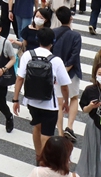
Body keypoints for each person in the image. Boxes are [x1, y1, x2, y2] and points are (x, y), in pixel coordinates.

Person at [12, 26, 71, 158]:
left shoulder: (28, 55)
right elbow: (65, 86)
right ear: (53, 42)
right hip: (50, 103)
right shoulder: (56, 60)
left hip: (31, 101)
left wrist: (16, 99)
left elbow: (20, 78)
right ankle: (45, 160)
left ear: (37, 39)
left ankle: (38, 156)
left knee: (36, 127)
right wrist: (66, 102)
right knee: (47, 133)